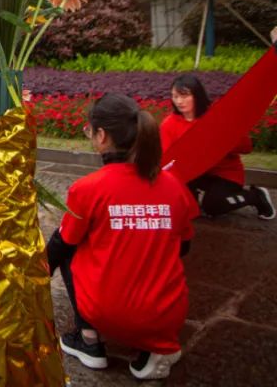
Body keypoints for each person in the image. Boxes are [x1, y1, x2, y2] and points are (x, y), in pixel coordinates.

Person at [49, 93, 198, 381]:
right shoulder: (174, 186)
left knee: (70, 243)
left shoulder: (88, 188)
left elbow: (62, 243)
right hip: (167, 313)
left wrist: (38, 272)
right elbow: (183, 247)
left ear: (102, 136)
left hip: (106, 312)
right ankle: (156, 347)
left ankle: (89, 339)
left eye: (90, 131)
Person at [159, 75, 274, 219]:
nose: (179, 101)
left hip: (225, 173)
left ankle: (254, 196)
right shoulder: (169, 124)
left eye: (184, 95)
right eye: (175, 96)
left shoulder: (217, 118)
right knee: (184, 206)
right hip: (193, 172)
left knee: (213, 206)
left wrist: (221, 140)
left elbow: (246, 148)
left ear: (197, 95)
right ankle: (194, 196)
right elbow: (167, 158)